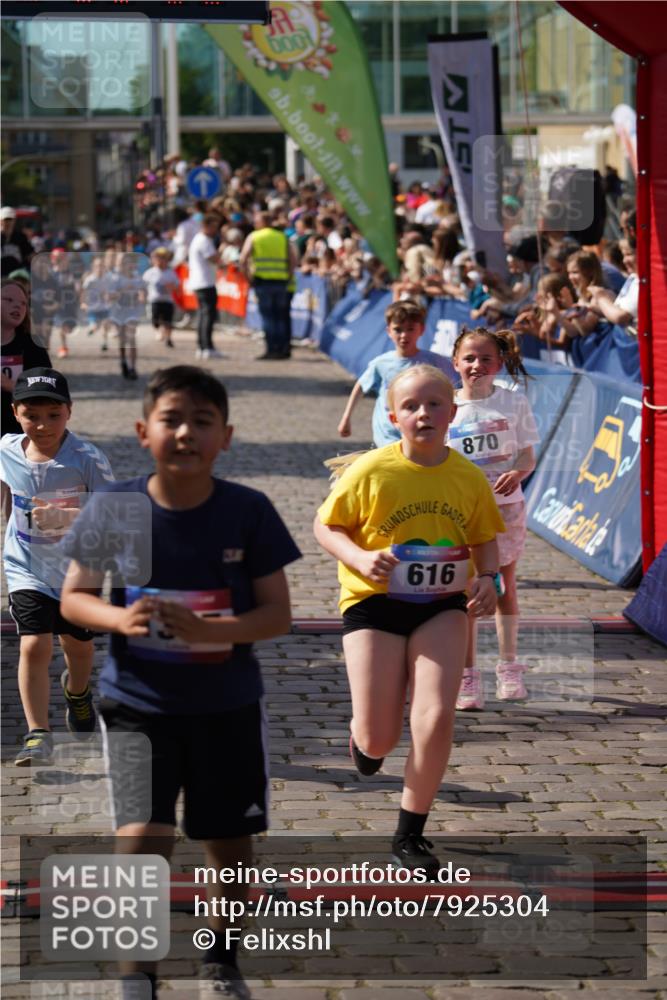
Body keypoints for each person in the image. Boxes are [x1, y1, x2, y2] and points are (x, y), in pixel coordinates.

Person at [60, 365, 301, 1000]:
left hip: (226, 706)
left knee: (228, 840)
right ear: (144, 431)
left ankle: (220, 960)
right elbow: (75, 599)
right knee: (141, 833)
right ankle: (134, 971)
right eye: (172, 419)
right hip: (138, 704)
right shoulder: (117, 507)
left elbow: (278, 614)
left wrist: (211, 633)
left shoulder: (249, 512)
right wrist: (121, 616)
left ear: (227, 436)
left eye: (202, 421)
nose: (186, 433)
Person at [315, 364, 504, 873]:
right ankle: (363, 738)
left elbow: (487, 539)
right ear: (394, 415)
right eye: (413, 406)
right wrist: (357, 558)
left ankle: (410, 833)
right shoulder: (372, 470)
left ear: (453, 412)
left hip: (441, 605)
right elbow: (326, 525)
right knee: (380, 737)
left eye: (434, 404)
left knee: (437, 715)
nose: (424, 413)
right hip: (373, 603)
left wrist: (489, 580)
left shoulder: (467, 476)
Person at [0, 367, 114, 765]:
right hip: (25, 567)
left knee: (78, 647)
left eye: (53, 414)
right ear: (15, 413)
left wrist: (68, 517)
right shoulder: (7, 449)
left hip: (76, 572)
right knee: (34, 643)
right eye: (32, 415)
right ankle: (38, 732)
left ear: (69, 412)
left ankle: (78, 693)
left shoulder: (87, 459)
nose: (42, 425)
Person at [448, 329, 539, 710]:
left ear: (499, 364)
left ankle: (508, 666)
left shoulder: (514, 403)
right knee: (468, 590)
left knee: (503, 587)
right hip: (462, 511)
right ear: (455, 363)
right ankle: (468, 676)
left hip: (506, 507)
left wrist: (517, 473)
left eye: (486, 359)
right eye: (469, 358)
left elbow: (527, 456)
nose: (477, 365)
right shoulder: (446, 406)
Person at [337, 299, 457, 447]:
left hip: (420, 433)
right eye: (398, 329)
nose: (404, 335)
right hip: (387, 437)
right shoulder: (381, 363)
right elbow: (361, 386)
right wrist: (346, 417)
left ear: (422, 329)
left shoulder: (434, 362)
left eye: (410, 329)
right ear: (389, 331)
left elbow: (454, 389)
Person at [239, 210, 296, 360]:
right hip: (281, 282)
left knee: (268, 318)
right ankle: (283, 349)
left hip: (262, 282)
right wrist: (288, 276)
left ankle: (272, 349)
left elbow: (243, 259)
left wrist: (248, 278)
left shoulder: (254, 236)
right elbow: (293, 259)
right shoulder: (283, 237)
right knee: (281, 317)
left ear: (262, 222)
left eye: (256, 221)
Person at [188, 213, 224, 361]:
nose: (216, 231)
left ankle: (203, 346)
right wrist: (223, 248)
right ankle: (206, 347)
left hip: (200, 282)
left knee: (204, 315)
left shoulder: (199, 239)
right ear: (207, 226)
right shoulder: (204, 240)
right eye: (214, 227)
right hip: (205, 283)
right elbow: (215, 259)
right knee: (207, 316)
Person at [108, 252, 146, 380]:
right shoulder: (115, 278)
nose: (127, 265)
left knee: (131, 337)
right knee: (122, 339)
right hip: (119, 311)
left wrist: (141, 296)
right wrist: (122, 292)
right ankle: (123, 361)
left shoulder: (137, 277)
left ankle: (133, 367)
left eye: (129, 262)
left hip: (132, 311)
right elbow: (109, 296)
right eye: (123, 262)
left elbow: (142, 291)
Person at [142, 247, 179, 348]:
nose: (160, 261)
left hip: (167, 301)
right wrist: (142, 295)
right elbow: (142, 286)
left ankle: (168, 338)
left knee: (168, 321)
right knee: (155, 319)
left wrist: (172, 287)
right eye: (158, 258)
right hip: (155, 300)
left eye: (162, 258)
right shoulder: (150, 273)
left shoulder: (171, 273)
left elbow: (177, 287)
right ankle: (159, 331)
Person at [80, 255, 112, 351]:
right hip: (92, 308)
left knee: (105, 325)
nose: (100, 268)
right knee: (95, 326)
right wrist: (83, 303)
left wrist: (108, 296)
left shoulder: (107, 278)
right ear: (93, 267)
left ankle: (105, 343)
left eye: (102, 266)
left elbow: (110, 291)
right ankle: (92, 329)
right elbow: (83, 292)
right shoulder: (90, 279)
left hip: (104, 307)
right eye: (97, 266)